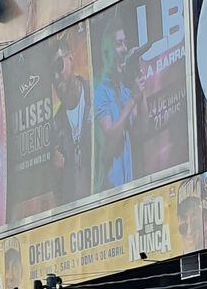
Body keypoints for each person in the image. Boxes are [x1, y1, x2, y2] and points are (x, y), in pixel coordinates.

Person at [94, 14, 145, 192]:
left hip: (128, 191)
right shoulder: (100, 92)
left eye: (125, 43)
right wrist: (132, 100)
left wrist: (140, 90)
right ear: (106, 53)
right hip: (107, 196)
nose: (124, 49)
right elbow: (111, 139)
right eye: (118, 44)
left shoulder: (124, 90)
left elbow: (141, 128)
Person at [51, 33, 92, 203]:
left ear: (71, 59)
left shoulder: (94, 95)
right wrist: (55, 170)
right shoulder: (55, 125)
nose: (56, 77)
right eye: (51, 72)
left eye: (59, 65)